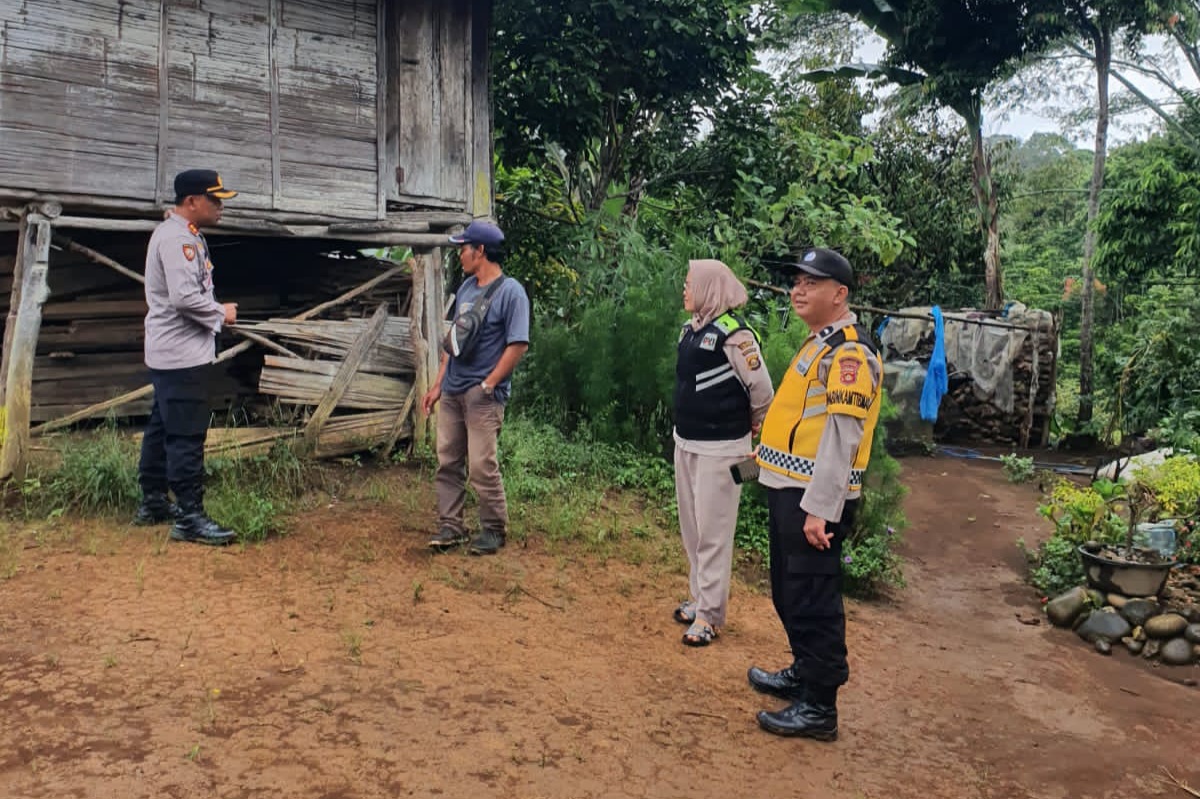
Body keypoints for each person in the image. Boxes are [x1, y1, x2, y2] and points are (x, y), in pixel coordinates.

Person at [748, 247, 883, 740]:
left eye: (810, 282)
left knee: (813, 599)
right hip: (791, 490)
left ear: (839, 293)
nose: (797, 290)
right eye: (796, 281)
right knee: (789, 591)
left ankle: (820, 707)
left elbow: (843, 437)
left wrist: (820, 511)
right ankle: (805, 672)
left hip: (814, 500)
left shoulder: (850, 354)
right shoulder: (819, 344)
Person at [132, 169, 240, 546]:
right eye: (215, 199)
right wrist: (220, 314)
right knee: (186, 435)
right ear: (192, 202)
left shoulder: (179, 234)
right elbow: (183, 298)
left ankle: (154, 501)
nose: (220, 206)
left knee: (162, 426)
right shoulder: (179, 240)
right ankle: (190, 516)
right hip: (182, 354)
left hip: (170, 351)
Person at [672, 260, 774, 647]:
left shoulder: (737, 337)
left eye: (689, 283)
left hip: (724, 451)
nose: (684, 289)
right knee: (693, 529)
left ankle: (711, 615)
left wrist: (753, 428)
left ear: (710, 289)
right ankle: (699, 597)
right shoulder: (690, 330)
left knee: (714, 533)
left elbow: (763, 393)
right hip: (687, 443)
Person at [422, 221, 530, 556]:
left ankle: (494, 529)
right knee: (447, 460)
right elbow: (452, 341)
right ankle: (450, 526)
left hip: (482, 395)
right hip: (454, 390)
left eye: (464, 248)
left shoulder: (511, 292)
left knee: (482, 464)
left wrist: (490, 383)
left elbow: (518, 344)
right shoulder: (467, 288)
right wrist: (439, 383)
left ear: (480, 251)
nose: (460, 255)